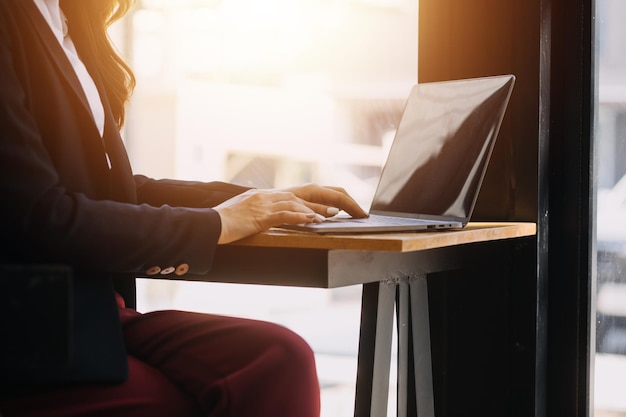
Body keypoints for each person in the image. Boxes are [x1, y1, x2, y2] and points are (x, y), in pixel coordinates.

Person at [0, 0, 368, 416]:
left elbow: (110, 190)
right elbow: (40, 214)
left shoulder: (64, 19)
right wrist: (214, 225)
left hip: (93, 312)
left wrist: (256, 202)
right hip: (33, 326)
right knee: (176, 400)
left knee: (280, 360)